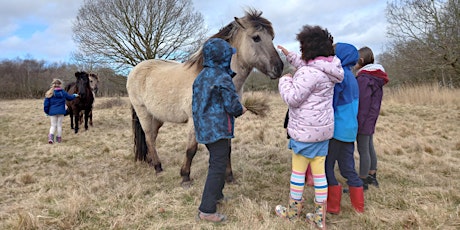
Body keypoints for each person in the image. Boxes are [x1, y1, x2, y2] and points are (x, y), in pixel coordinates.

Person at [275, 25, 344, 230]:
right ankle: (318, 217)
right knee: (319, 174)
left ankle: (293, 211)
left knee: (298, 173)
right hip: (322, 132)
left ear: (309, 49)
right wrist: (291, 56)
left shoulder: (308, 73)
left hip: (304, 133)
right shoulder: (330, 68)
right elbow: (310, 67)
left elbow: (293, 97)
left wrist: (284, 81)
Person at [192, 38, 247, 223]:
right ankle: (207, 210)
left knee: (218, 162)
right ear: (222, 58)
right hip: (218, 130)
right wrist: (241, 109)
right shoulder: (222, 78)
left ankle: (217, 195)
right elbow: (232, 106)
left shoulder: (201, 76)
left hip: (204, 130)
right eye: (228, 56)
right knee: (217, 166)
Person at [325, 43, 364, 214]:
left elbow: (331, 104)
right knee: (348, 168)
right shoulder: (353, 78)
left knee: (327, 167)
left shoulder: (340, 77)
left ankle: (333, 206)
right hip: (349, 131)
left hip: (336, 131)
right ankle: (359, 207)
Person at [355, 46, 389, 190]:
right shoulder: (376, 76)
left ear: (361, 61)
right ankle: (372, 174)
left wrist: (358, 121)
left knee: (363, 149)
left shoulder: (364, 78)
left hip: (364, 118)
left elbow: (363, 101)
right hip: (372, 116)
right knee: (369, 146)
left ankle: (362, 181)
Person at [44, 79, 78, 144]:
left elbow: (46, 104)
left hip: (52, 112)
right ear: (60, 85)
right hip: (61, 112)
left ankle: (51, 138)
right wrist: (74, 95)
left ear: (53, 84)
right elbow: (70, 98)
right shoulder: (63, 92)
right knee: (59, 126)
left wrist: (46, 112)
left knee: (53, 125)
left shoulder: (49, 93)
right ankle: (58, 139)